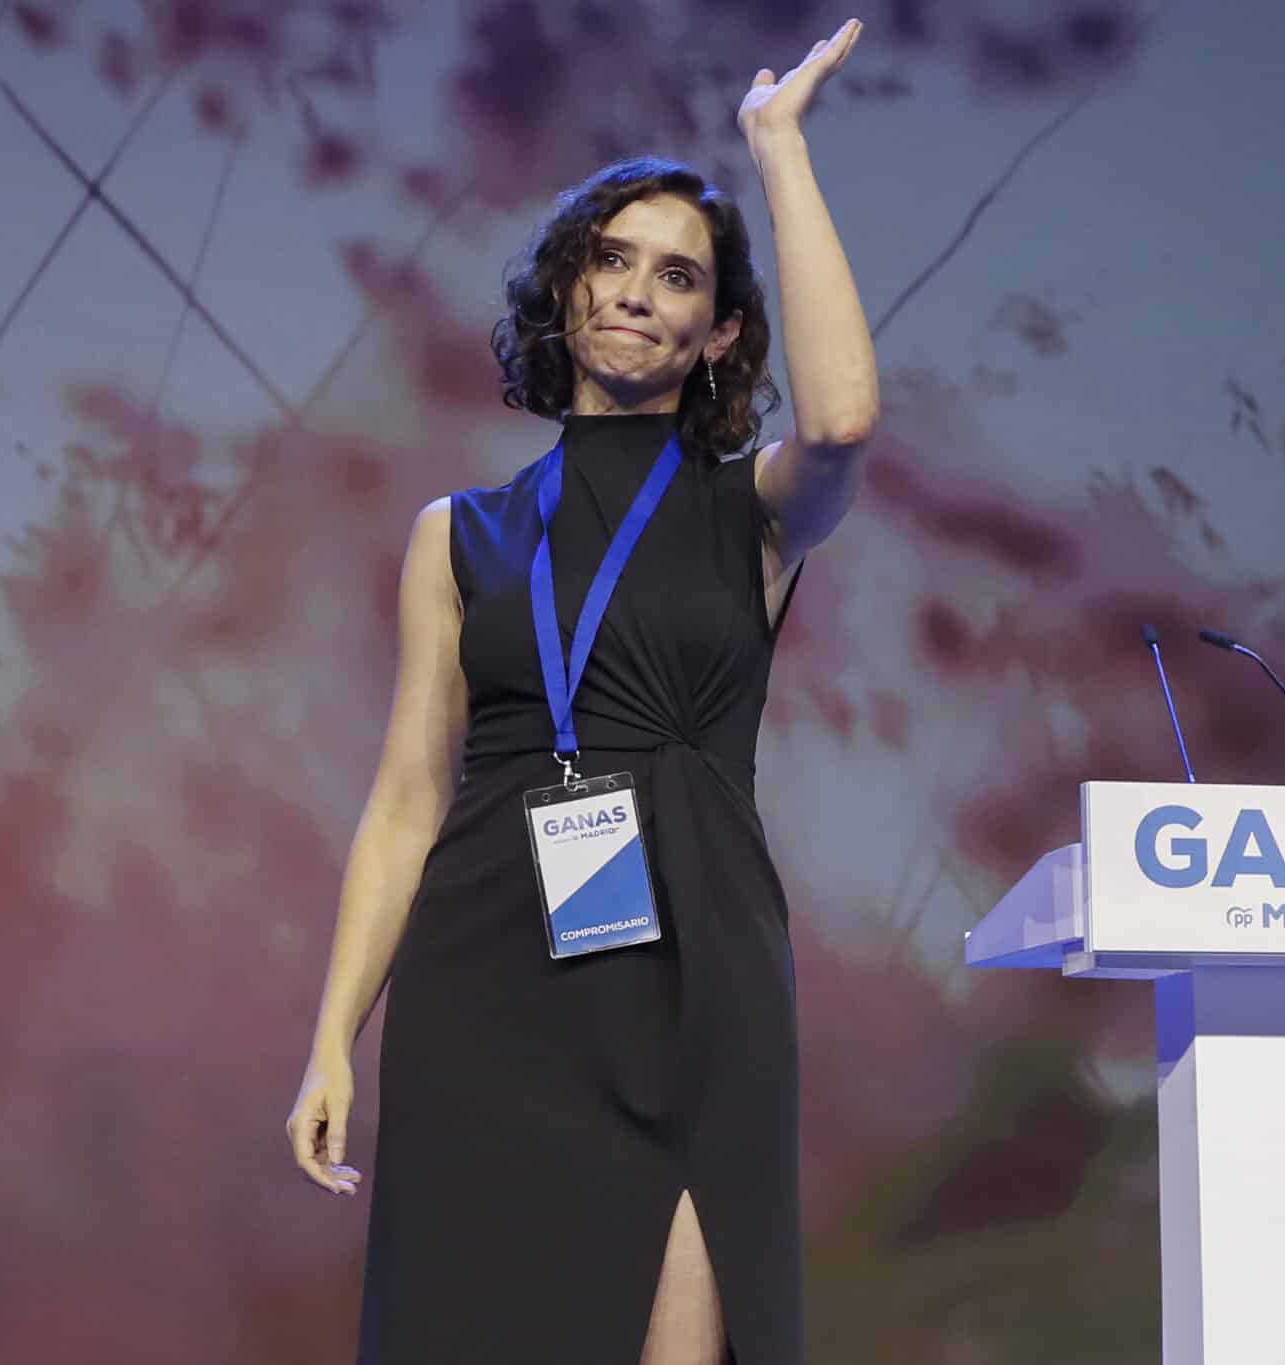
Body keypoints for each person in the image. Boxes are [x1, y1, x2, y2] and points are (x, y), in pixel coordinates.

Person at [288, 18, 878, 1364]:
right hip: (489, 977)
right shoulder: (459, 533)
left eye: (679, 277)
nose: (635, 289)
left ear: (718, 332)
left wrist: (775, 150)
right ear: (565, 290)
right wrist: (334, 1037)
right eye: (612, 258)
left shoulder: (756, 514)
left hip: (693, 974)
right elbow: (401, 801)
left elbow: (842, 420)